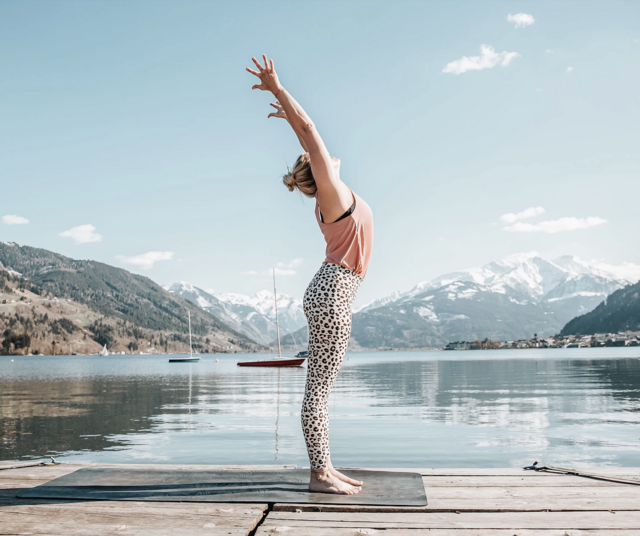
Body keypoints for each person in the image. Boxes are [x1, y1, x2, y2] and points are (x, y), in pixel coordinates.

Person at [247, 55, 374, 495]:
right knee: (319, 388)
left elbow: (309, 136)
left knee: (320, 386)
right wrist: (281, 92)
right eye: (317, 158)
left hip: (330, 291)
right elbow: (311, 132)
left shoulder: (331, 199)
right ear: (317, 172)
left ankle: (326, 467)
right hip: (333, 294)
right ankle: (320, 473)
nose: (325, 154)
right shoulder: (333, 193)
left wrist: (290, 117)